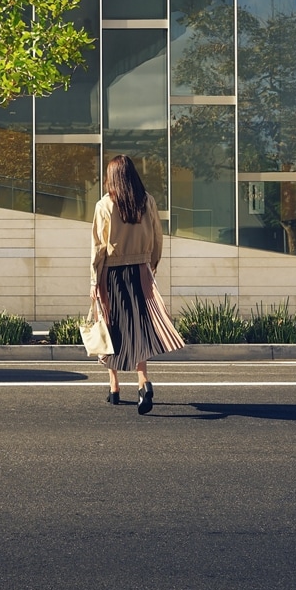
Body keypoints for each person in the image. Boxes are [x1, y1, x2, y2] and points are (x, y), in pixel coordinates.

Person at [90, 155, 184, 414]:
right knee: (138, 329)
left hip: (113, 274)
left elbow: (98, 248)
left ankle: (114, 386)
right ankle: (143, 381)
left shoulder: (104, 205)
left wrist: (94, 280)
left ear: (112, 177)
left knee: (111, 328)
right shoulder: (147, 201)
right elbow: (157, 237)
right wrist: (150, 266)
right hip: (141, 271)